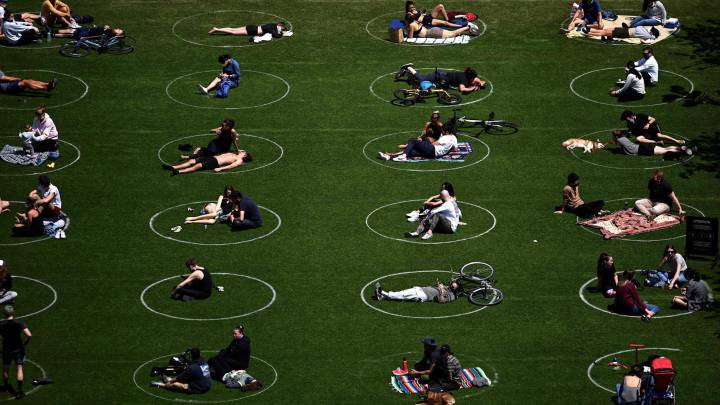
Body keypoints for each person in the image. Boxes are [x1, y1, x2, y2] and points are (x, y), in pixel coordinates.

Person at [0, 305, 31, 399]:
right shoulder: (19, 323)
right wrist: (25, 342)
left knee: (6, 368)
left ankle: (5, 387)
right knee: (19, 368)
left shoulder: (1, 324)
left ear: (4, 313)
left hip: (6, 349)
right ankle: (19, 391)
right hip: (18, 349)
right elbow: (29, 335)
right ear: (12, 312)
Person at [378, 126, 457, 161]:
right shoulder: (454, 138)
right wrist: (447, 150)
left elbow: (433, 144)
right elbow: (455, 149)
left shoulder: (444, 137)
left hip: (431, 149)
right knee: (410, 152)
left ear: (446, 132)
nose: (442, 132)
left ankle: (404, 155)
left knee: (413, 141)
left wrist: (425, 143)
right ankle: (388, 157)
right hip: (433, 155)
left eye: (443, 131)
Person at [398, 64, 486, 93]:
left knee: (423, 85)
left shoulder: (469, 77)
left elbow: (480, 80)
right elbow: (462, 89)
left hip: (443, 78)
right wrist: (472, 88)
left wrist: (480, 83)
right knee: (421, 79)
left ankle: (407, 74)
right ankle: (408, 68)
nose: (475, 79)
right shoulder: (463, 79)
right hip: (440, 77)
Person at [374, 278, 463, 303]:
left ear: (456, 288)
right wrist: (440, 285)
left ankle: (382, 292)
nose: (453, 283)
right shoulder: (449, 287)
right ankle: (381, 296)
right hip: (421, 290)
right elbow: (438, 287)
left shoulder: (452, 296)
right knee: (402, 293)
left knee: (402, 294)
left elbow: (441, 300)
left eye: (455, 284)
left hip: (422, 295)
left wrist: (441, 291)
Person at [164, 151, 251, 176]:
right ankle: (174, 167)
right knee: (192, 161)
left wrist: (221, 169)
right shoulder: (234, 154)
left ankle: (179, 172)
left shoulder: (239, 160)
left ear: (245, 155)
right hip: (212, 158)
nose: (242, 151)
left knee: (197, 166)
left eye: (244, 152)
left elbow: (232, 166)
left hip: (215, 162)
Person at [611, 130, 688, 158]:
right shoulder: (623, 137)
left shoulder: (618, 139)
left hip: (640, 150)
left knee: (664, 151)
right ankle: (681, 148)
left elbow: (615, 143)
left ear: (616, 136)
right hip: (640, 146)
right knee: (665, 149)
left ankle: (682, 152)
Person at [584, 25, 659, 42]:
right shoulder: (646, 30)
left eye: (651, 30)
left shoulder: (647, 35)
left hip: (624, 33)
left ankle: (589, 33)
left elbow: (653, 38)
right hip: (625, 30)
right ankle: (589, 29)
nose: (650, 29)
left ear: (652, 33)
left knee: (604, 33)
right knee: (605, 30)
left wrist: (653, 36)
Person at [208, 21, 287, 37]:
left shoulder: (272, 24)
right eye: (282, 27)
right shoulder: (272, 27)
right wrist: (282, 34)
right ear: (280, 25)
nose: (282, 29)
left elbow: (275, 31)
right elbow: (276, 35)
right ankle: (217, 29)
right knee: (233, 32)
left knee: (233, 29)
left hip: (251, 26)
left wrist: (280, 30)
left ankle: (217, 29)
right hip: (253, 30)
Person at [53, 25, 125, 39]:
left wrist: (104, 29)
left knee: (69, 33)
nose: (118, 28)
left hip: (87, 33)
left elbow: (103, 34)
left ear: (118, 34)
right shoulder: (110, 31)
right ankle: (51, 32)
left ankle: (52, 34)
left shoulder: (110, 35)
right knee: (69, 31)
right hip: (88, 30)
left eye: (119, 30)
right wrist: (105, 27)